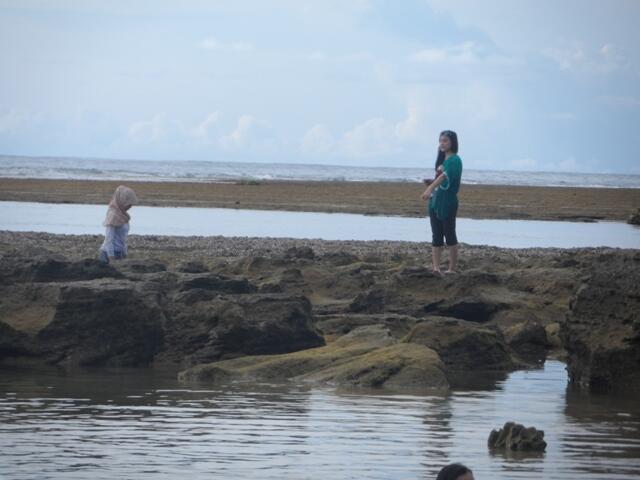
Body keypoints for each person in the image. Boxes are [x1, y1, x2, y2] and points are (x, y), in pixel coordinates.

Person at [421, 130, 463, 274]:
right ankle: (436, 267)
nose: (442, 143)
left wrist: (430, 188)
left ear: (452, 142)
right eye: (440, 141)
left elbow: (446, 176)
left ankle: (452, 268)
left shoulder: (455, 160)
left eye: (445, 141)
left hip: (448, 202)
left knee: (450, 235)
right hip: (435, 201)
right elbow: (441, 179)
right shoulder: (442, 160)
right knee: (436, 235)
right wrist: (432, 183)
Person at [99, 185, 138, 264]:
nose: (130, 206)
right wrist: (111, 258)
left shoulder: (123, 215)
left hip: (119, 253)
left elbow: (122, 238)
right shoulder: (113, 215)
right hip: (108, 255)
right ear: (122, 201)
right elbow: (109, 239)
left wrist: (125, 252)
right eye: (128, 203)